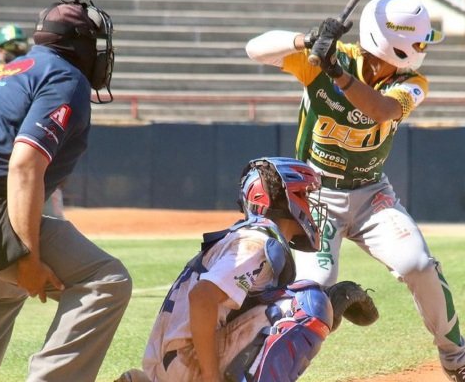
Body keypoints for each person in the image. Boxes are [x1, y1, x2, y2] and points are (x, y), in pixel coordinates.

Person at [246, 0, 465, 381]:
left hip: (372, 194)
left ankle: (456, 358)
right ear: (396, 45)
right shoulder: (326, 59)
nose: (425, 49)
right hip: (316, 198)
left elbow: (383, 111)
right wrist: (307, 41)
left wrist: (338, 75)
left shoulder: (410, 82)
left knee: (418, 264)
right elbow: (254, 49)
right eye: (421, 41)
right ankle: (264, 369)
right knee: (314, 296)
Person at [0, 0, 131, 381]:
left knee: (0, 291)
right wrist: (28, 258)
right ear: (80, 45)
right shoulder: (66, 77)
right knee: (106, 281)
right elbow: (24, 164)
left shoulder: (0, 73)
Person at [115, 157, 378, 382]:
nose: (312, 206)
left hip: (176, 361)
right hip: (187, 364)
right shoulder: (256, 242)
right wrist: (210, 377)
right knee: (308, 305)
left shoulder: (255, 237)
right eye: (306, 195)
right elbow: (203, 297)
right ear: (287, 199)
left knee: (310, 302)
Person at [0, 23, 67, 219]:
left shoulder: (38, 74)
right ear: (0, 51)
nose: (17, 50)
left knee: (50, 224)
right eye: (11, 46)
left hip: (35, 164)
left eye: (20, 45)